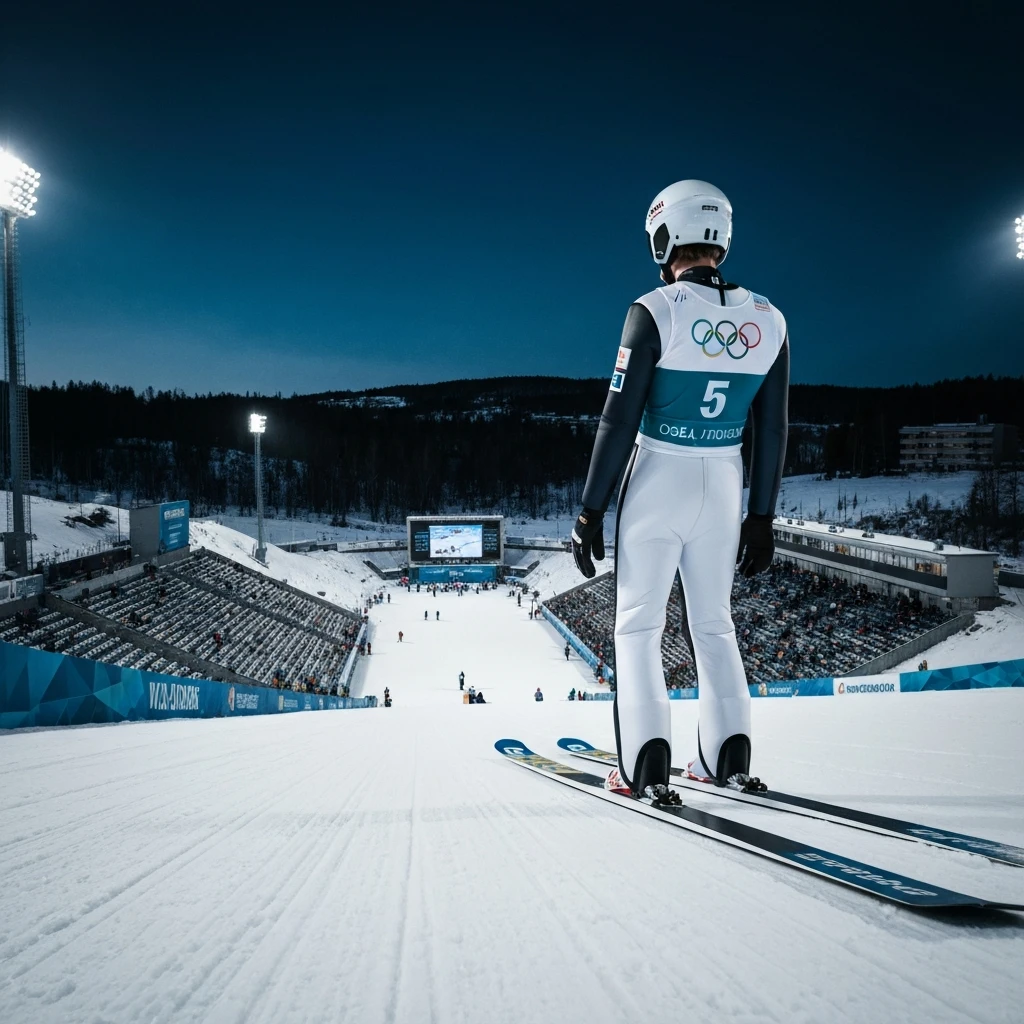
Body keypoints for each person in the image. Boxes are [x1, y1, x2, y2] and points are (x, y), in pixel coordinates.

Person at [571, 180, 788, 798]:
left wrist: (590, 511)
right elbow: (772, 426)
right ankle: (727, 757)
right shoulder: (770, 319)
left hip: (659, 474)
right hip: (723, 481)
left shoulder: (652, 309)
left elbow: (617, 419)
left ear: (666, 235)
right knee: (714, 624)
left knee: (638, 627)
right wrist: (762, 517)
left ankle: (641, 764)